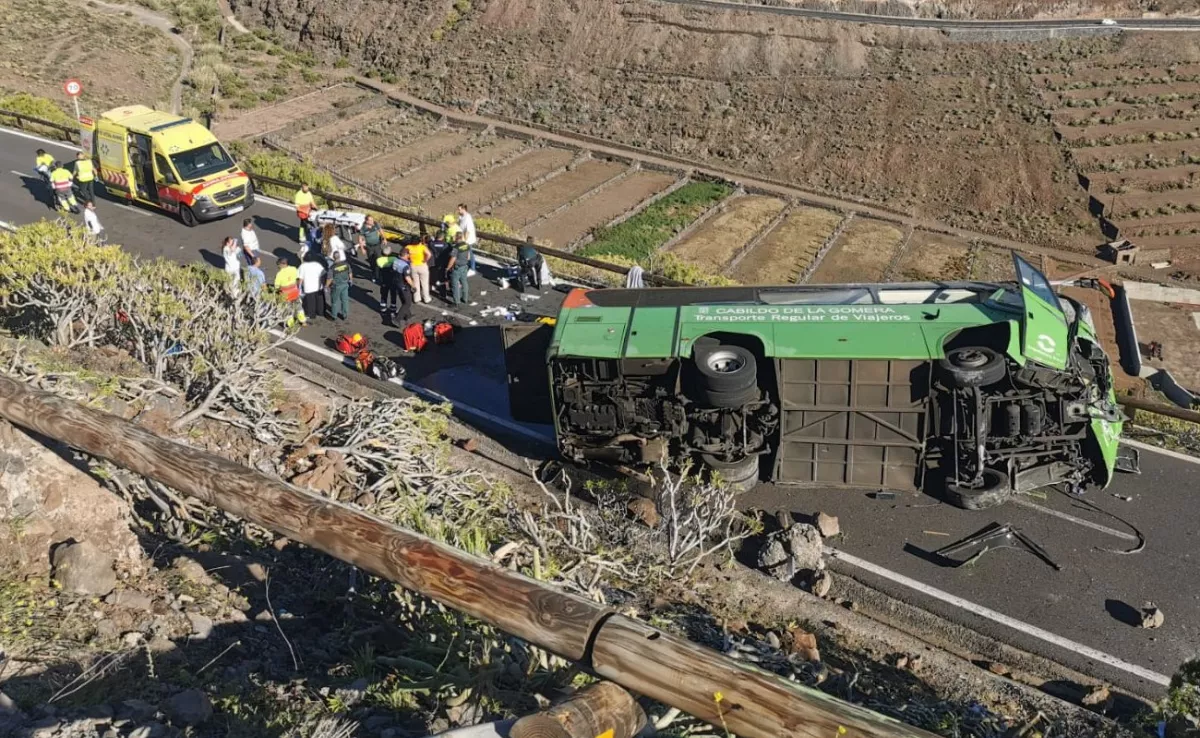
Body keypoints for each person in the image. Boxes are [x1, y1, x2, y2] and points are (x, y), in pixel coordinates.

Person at [274, 256, 306, 327]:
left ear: (283, 264)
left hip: (285, 295)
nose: (278, 266)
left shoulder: (279, 274)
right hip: (294, 292)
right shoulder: (293, 269)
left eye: (278, 265)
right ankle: (303, 321)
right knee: (299, 307)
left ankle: (291, 324)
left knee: (288, 310)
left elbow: (277, 286)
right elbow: (297, 279)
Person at [298, 253, 326, 321]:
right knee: (320, 301)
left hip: (309, 287)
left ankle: (311, 314)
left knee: (311, 301)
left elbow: (300, 278)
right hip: (318, 286)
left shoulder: (303, 266)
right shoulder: (317, 265)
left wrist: (299, 287)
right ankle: (320, 312)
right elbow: (324, 273)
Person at [405, 236, 433, 304]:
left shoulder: (408, 247)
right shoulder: (422, 247)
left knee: (415, 283)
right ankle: (426, 298)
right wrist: (425, 260)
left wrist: (409, 259)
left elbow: (405, 255)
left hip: (413, 266)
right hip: (422, 265)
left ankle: (416, 298)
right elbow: (429, 254)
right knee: (425, 283)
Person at [327, 252, 353, 321]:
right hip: (345, 284)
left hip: (336, 286)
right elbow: (350, 273)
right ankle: (345, 315)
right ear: (339, 257)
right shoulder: (346, 264)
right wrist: (351, 280)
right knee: (345, 300)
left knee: (334, 301)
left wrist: (326, 286)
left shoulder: (332, 268)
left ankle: (334, 316)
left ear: (333, 257)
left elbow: (330, 279)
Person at [447, 232, 471, 306]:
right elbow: (469, 257)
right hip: (465, 266)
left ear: (456, 238)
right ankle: (465, 298)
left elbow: (452, 259)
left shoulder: (456, 247)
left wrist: (448, 267)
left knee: (455, 284)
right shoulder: (467, 245)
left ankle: (456, 302)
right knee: (464, 282)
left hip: (457, 268)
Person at [392, 251, 415, 323]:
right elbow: (407, 278)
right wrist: (413, 286)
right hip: (403, 285)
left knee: (403, 300)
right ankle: (397, 319)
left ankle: (408, 315)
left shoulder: (395, 261)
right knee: (407, 303)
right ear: (405, 255)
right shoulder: (405, 266)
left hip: (396, 282)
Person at [376, 245, 399, 317]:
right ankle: (393, 309)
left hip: (384, 280)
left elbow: (378, 269)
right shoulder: (394, 259)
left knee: (383, 295)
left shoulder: (379, 260)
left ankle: (383, 309)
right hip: (393, 280)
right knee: (393, 295)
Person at [360, 216, 384, 281]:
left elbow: (380, 230)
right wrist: (362, 248)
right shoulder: (363, 228)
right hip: (369, 247)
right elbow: (360, 238)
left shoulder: (375, 224)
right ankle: (374, 274)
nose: (372, 222)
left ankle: (380, 274)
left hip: (377, 246)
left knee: (379, 260)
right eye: (370, 220)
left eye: (372, 220)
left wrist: (384, 238)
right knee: (372, 261)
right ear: (366, 221)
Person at [457, 204, 478, 276]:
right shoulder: (461, 217)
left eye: (459, 209)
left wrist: (465, 241)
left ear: (463, 209)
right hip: (463, 237)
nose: (458, 210)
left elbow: (468, 231)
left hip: (468, 239)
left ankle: (472, 268)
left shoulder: (468, 218)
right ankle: (469, 266)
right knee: (468, 252)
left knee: (470, 253)